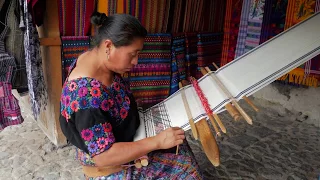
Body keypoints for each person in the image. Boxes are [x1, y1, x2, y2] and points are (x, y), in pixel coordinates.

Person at [59, 12, 203, 180]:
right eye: (133, 53)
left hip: (126, 135)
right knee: (186, 167)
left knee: (177, 139)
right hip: (110, 166)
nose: (136, 61)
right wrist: (155, 142)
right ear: (108, 46)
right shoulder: (85, 99)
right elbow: (103, 156)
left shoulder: (93, 59)